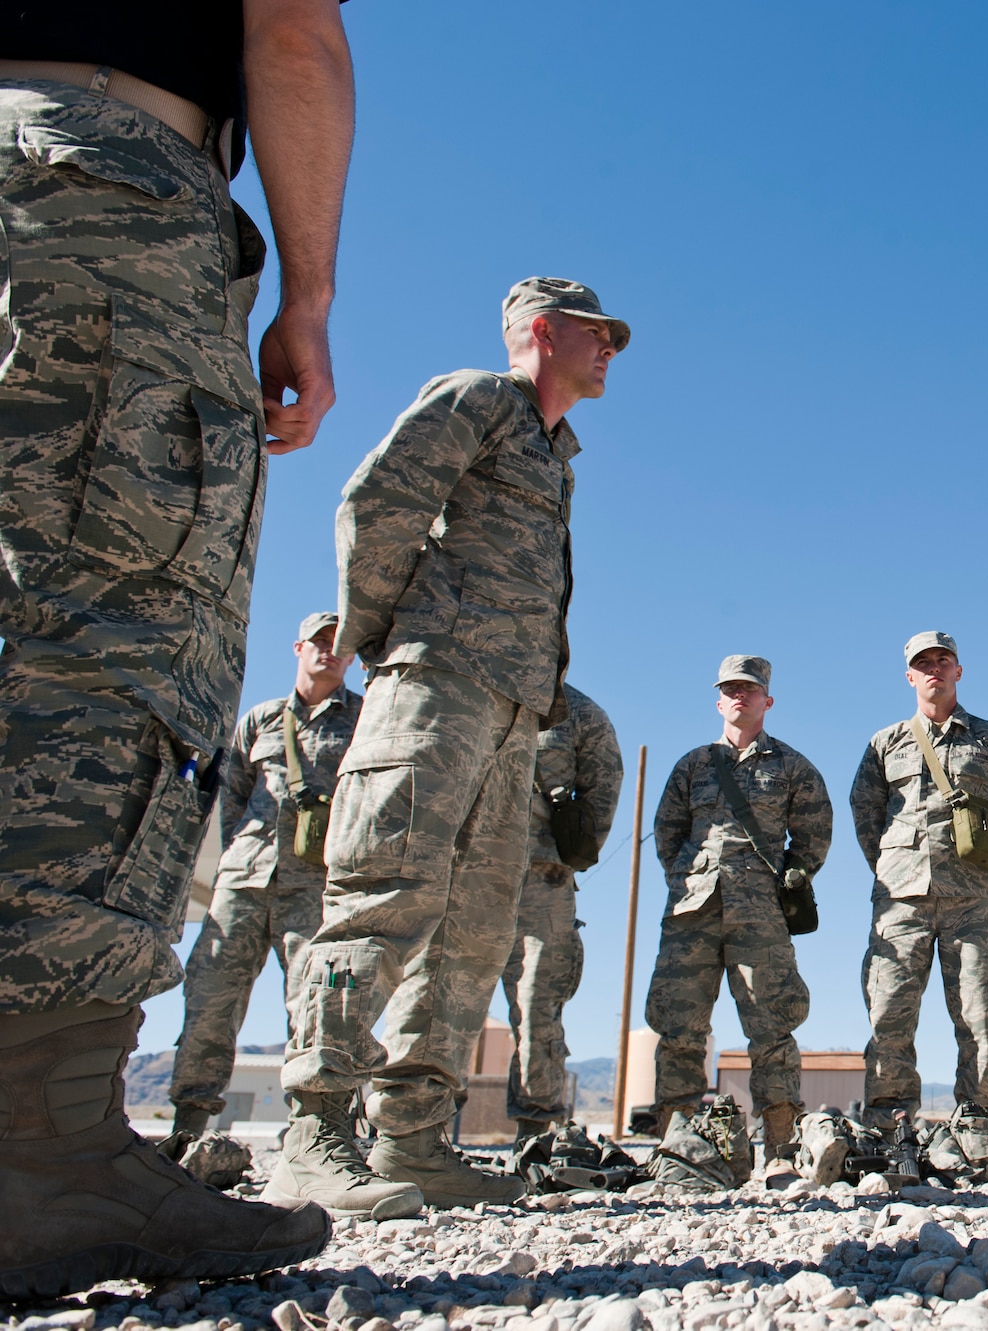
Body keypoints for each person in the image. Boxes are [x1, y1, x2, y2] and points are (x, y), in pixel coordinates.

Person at [0, 0, 354, 1293]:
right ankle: (39, 1149)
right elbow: (292, 30)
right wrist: (307, 298)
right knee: (112, 628)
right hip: (100, 180)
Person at [272, 277, 627, 1216]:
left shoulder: (556, 457)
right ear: (544, 332)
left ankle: (412, 1138)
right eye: (601, 335)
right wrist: (387, 633)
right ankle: (313, 1128)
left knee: (472, 931)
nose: (612, 353)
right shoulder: (479, 398)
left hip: (514, 717)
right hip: (434, 693)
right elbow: (377, 498)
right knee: (382, 897)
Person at [167, 613, 361, 1140]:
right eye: (319, 642)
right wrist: (241, 851)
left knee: (317, 1005)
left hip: (314, 887)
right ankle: (190, 1125)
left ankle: (314, 1131)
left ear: (352, 658)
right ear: (298, 647)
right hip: (243, 881)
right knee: (210, 998)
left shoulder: (364, 721)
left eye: (340, 645)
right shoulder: (261, 719)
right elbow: (232, 796)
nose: (328, 652)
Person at [646, 656, 831, 1167]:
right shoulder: (693, 766)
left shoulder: (791, 766)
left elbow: (815, 832)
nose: (739, 697)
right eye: (730, 689)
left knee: (772, 1027)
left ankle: (780, 1148)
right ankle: (676, 1148)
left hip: (760, 914)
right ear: (719, 700)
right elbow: (668, 833)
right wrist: (687, 877)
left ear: (767, 700)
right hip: (691, 912)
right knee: (679, 1026)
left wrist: (795, 874)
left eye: (749, 689)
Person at [850, 632, 988, 1128]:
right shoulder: (885, 743)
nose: (934, 669)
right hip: (901, 901)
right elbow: (866, 814)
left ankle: (980, 1128)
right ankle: (891, 1129)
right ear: (909, 676)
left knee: (979, 1016)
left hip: (973, 901)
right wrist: (893, 864)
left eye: (943, 661)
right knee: (889, 1013)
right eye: (923, 663)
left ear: (958, 671)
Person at [503, 682, 622, 1142]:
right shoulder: (477, 691)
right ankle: (421, 1129)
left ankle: (536, 1133)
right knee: (441, 998)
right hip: (464, 869)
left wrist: (565, 856)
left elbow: (600, 795)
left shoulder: (581, 714)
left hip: (542, 880)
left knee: (537, 1007)